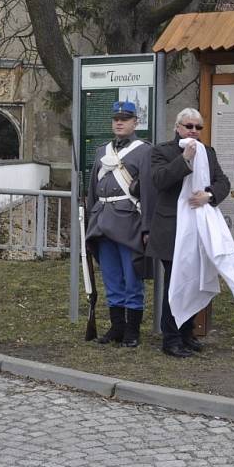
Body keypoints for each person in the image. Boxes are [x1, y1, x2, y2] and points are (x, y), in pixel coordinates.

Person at [148, 108, 231, 358]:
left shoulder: (208, 153)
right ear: (177, 127)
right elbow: (160, 180)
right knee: (178, 282)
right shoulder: (162, 151)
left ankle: (186, 333)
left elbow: (222, 182)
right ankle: (171, 338)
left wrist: (209, 195)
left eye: (198, 127)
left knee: (195, 281)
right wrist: (184, 159)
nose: (194, 131)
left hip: (199, 228)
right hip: (172, 229)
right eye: (188, 126)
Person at [86, 101, 155, 348]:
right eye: (116, 118)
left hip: (129, 224)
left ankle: (132, 331)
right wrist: (90, 222)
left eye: (125, 118)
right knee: (112, 279)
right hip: (102, 222)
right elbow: (93, 190)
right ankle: (116, 327)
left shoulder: (144, 151)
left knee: (131, 279)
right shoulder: (101, 151)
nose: (119, 122)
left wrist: (147, 228)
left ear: (135, 122)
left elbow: (148, 191)